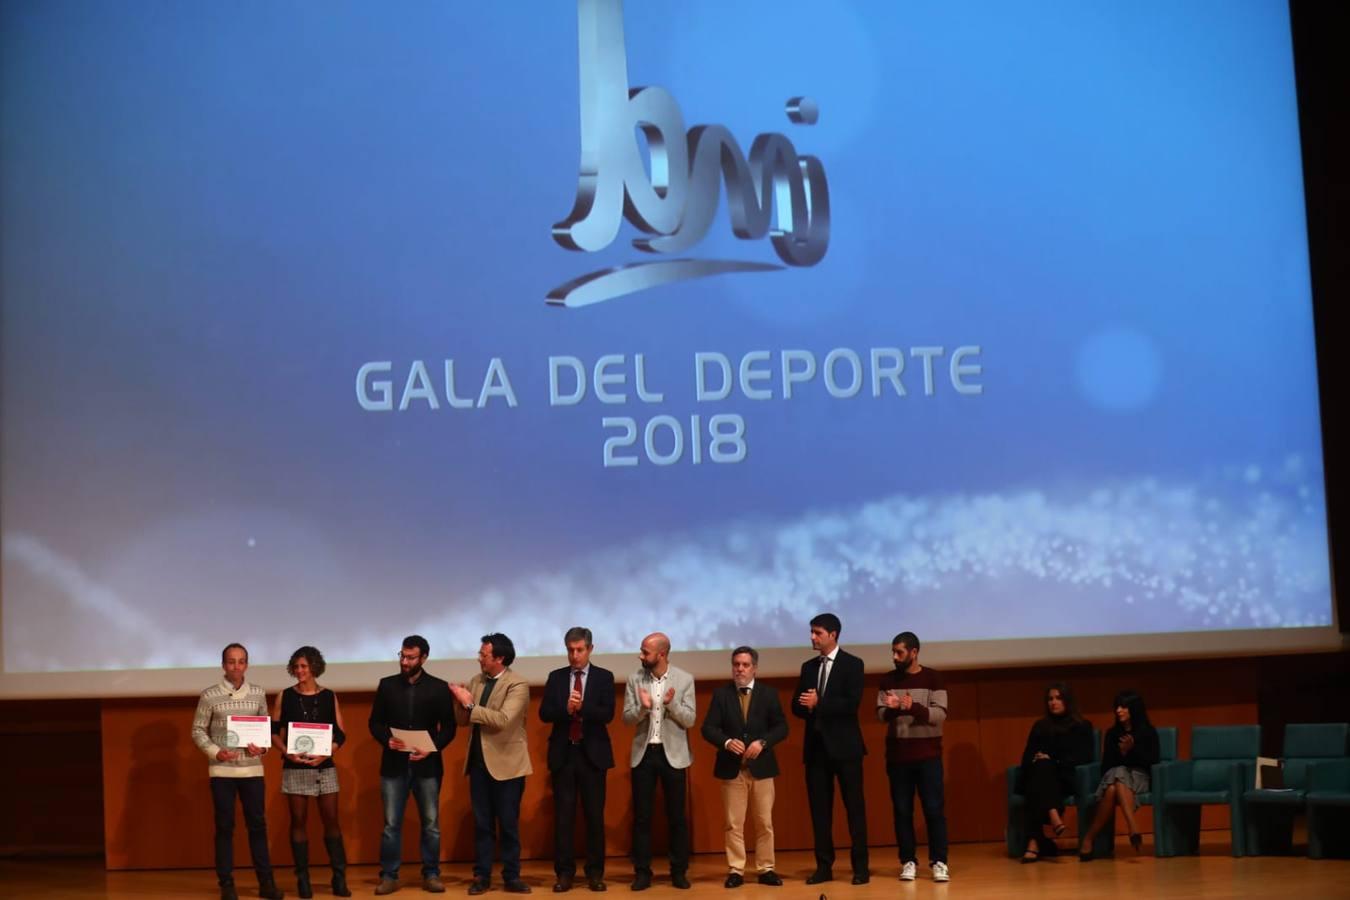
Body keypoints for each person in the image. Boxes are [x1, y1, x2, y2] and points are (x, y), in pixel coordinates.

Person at [191, 642, 284, 900]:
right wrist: (215, 751)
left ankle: (266, 883)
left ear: (247, 665)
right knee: (224, 828)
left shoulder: (257, 693)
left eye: (241, 661)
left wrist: (261, 749)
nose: (236, 666)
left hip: (252, 772)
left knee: (258, 827)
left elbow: (265, 734)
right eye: (231, 661)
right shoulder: (209, 695)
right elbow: (198, 730)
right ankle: (227, 884)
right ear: (223, 665)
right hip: (222, 772)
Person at [368, 635, 458, 895]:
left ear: (424, 658)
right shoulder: (387, 685)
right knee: (391, 824)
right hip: (393, 764)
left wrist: (432, 748)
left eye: (410, 658)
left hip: (427, 766)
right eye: (402, 656)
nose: (404, 662)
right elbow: (375, 723)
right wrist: (387, 739)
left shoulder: (438, 688)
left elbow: (449, 727)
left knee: (430, 823)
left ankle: (431, 874)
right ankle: (389, 875)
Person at [451, 633, 534, 895]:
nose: (479, 659)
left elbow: (503, 720)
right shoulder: (477, 681)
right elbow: (464, 721)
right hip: (478, 763)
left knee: (508, 823)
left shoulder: (517, 684)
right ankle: (482, 876)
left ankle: (511, 876)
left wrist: (469, 703)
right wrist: (459, 703)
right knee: (482, 824)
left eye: (483, 655)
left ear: (499, 658)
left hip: (508, 764)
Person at [700, 646, 789, 889]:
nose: (740, 669)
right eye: (736, 664)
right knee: (733, 823)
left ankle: (766, 868)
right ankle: (736, 869)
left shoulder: (769, 694)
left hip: (762, 769)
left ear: (755, 668)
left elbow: (781, 727)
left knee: (764, 823)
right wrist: (727, 742)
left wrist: (763, 742)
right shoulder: (722, 695)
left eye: (745, 665)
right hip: (733, 769)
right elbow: (708, 728)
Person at [791, 613, 869, 885]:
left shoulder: (853, 664)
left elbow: (851, 705)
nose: (812, 637)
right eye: (811, 632)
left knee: (854, 809)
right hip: (816, 749)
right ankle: (824, 866)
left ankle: (861, 867)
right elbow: (796, 706)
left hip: (846, 749)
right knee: (820, 812)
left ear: (833, 634)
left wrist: (819, 703)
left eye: (818, 633)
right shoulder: (808, 667)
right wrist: (806, 705)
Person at [539, 627, 616, 893]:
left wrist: (582, 708)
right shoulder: (556, 677)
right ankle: (564, 873)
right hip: (564, 754)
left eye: (579, 650)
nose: (574, 655)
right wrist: (566, 709)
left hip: (593, 756)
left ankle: (595, 873)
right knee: (564, 818)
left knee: (594, 817)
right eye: (570, 650)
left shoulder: (604, 677)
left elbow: (607, 714)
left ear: (590, 649)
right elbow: (545, 713)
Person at [272, 646, 350, 897]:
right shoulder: (285, 696)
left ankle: (339, 879)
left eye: (304, 666)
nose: (299, 671)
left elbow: (340, 733)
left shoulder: (329, 696)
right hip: (295, 767)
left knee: (331, 822)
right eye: (295, 667)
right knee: (298, 821)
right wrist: (286, 752)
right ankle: (302, 880)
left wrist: (327, 752)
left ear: (315, 667)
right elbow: (273, 731)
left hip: (324, 766)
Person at [622, 632, 697, 891]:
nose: (640, 655)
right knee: (642, 818)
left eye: (645, 651)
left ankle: (678, 871)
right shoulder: (634, 679)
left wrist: (670, 703)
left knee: (676, 817)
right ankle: (642, 872)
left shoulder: (684, 679)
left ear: (661, 654)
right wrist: (643, 707)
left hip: (673, 755)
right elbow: (627, 719)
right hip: (645, 754)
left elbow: (689, 720)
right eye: (642, 650)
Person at [876, 631, 950, 883]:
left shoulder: (934, 678)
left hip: (928, 756)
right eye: (893, 652)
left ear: (914, 652)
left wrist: (912, 707)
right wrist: (894, 709)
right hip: (898, 757)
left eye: (900, 652)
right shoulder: (887, 680)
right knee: (902, 811)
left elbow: (939, 715)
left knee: (933, 809)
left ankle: (939, 862)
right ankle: (908, 861)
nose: (895, 657)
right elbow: (880, 714)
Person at [1014, 682, 1093, 863]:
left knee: (1042, 773)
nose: (1053, 702)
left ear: (1068, 701)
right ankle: (1053, 816)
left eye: (1058, 698)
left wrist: (1054, 760)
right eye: (1050, 699)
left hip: (1065, 777)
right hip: (1039, 776)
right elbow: (1026, 757)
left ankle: (1034, 842)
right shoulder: (1040, 726)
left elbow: (1085, 757)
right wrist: (1038, 759)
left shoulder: (1081, 726)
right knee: (1040, 769)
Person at [1079, 690, 1160, 860]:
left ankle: (1089, 838)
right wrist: (1121, 753)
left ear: (1134, 709)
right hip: (1114, 777)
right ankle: (1133, 828)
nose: (1118, 710)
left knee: (1114, 783)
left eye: (1123, 707)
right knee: (1116, 776)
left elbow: (1152, 761)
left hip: (1140, 777)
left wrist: (1132, 750)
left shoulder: (1148, 732)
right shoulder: (1112, 734)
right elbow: (1106, 766)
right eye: (1117, 707)